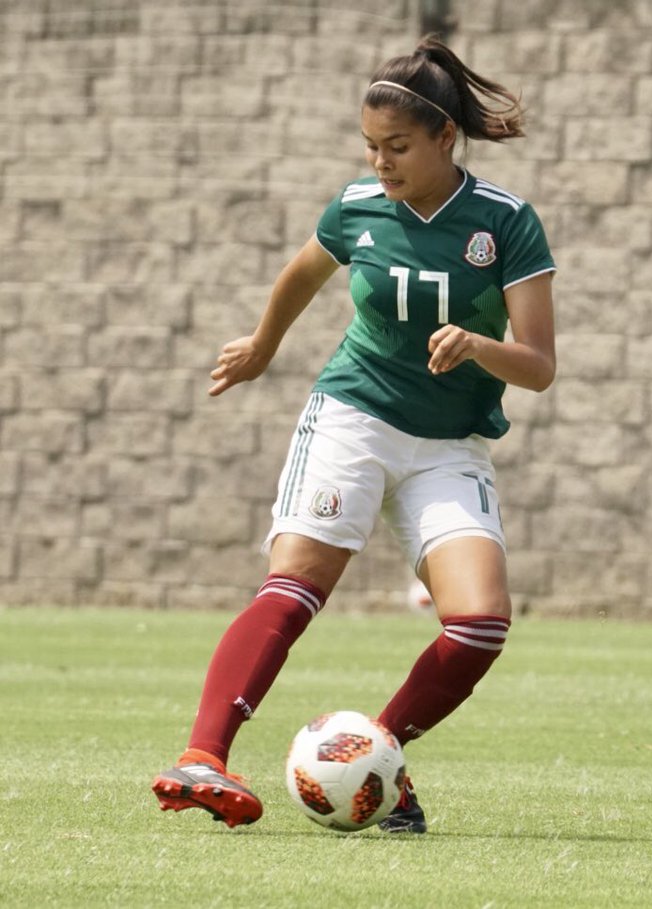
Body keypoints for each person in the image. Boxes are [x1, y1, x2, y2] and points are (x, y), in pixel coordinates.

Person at [151, 36, 556, 832]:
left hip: (448, 445)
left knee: (481, 622)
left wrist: (479, 345)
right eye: (371, 146)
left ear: (446, 137)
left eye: (397, 147)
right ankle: (202, 755)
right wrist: (264, 346)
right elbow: (304, 271)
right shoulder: (357, 206)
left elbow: (539, 365)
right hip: (354, 415)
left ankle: (377, 759)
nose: (380, 163)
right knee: (297, 583)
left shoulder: (505, 223)